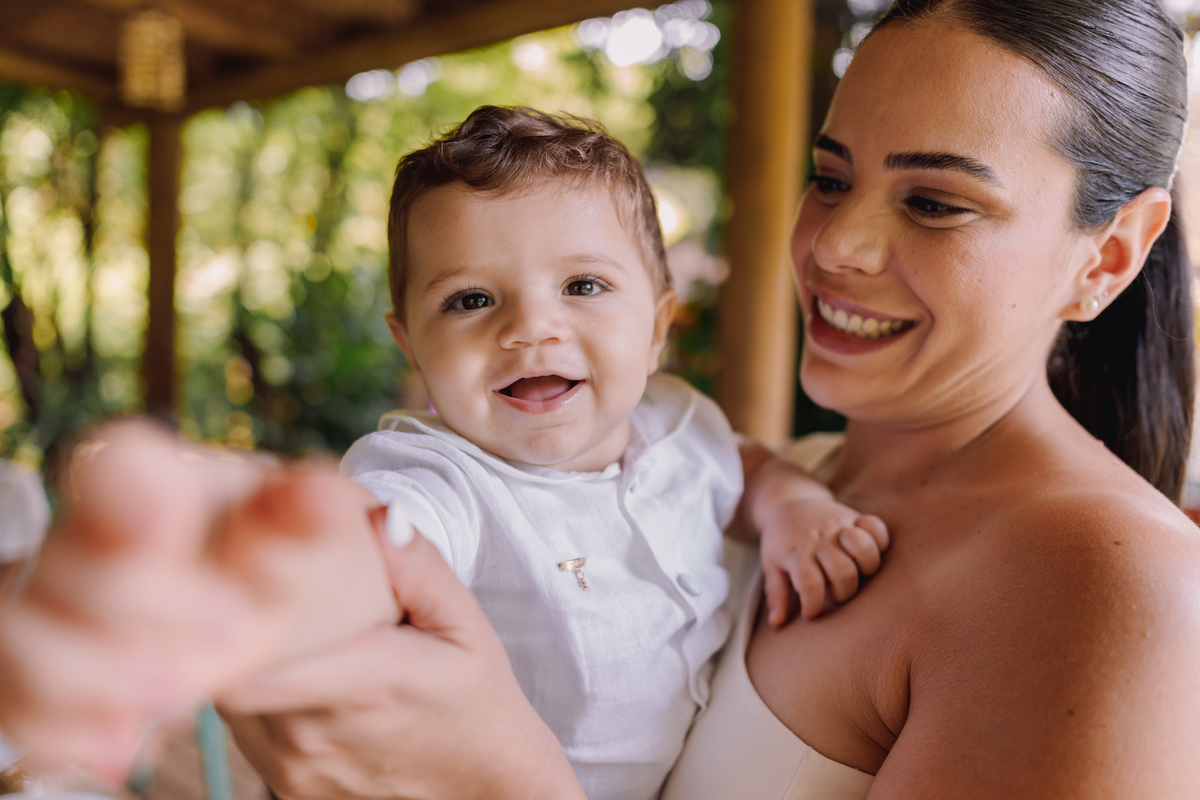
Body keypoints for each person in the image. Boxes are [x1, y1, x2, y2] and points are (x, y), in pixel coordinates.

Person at [205, 1, 1200, 798]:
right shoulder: (748, 479)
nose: (833, 246)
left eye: (934, 200)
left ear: (1108, 254)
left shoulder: (1113, 584)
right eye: (828, 176)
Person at [0, 107, 888, 793]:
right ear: (410, 345)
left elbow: (748, 471)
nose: (531, 325)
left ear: (658, 328)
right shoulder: (443, 475)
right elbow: (370, 554)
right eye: (470, 300)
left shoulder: (681, 426)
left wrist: (795, 508)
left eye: (584, 285)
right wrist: (260, 576)